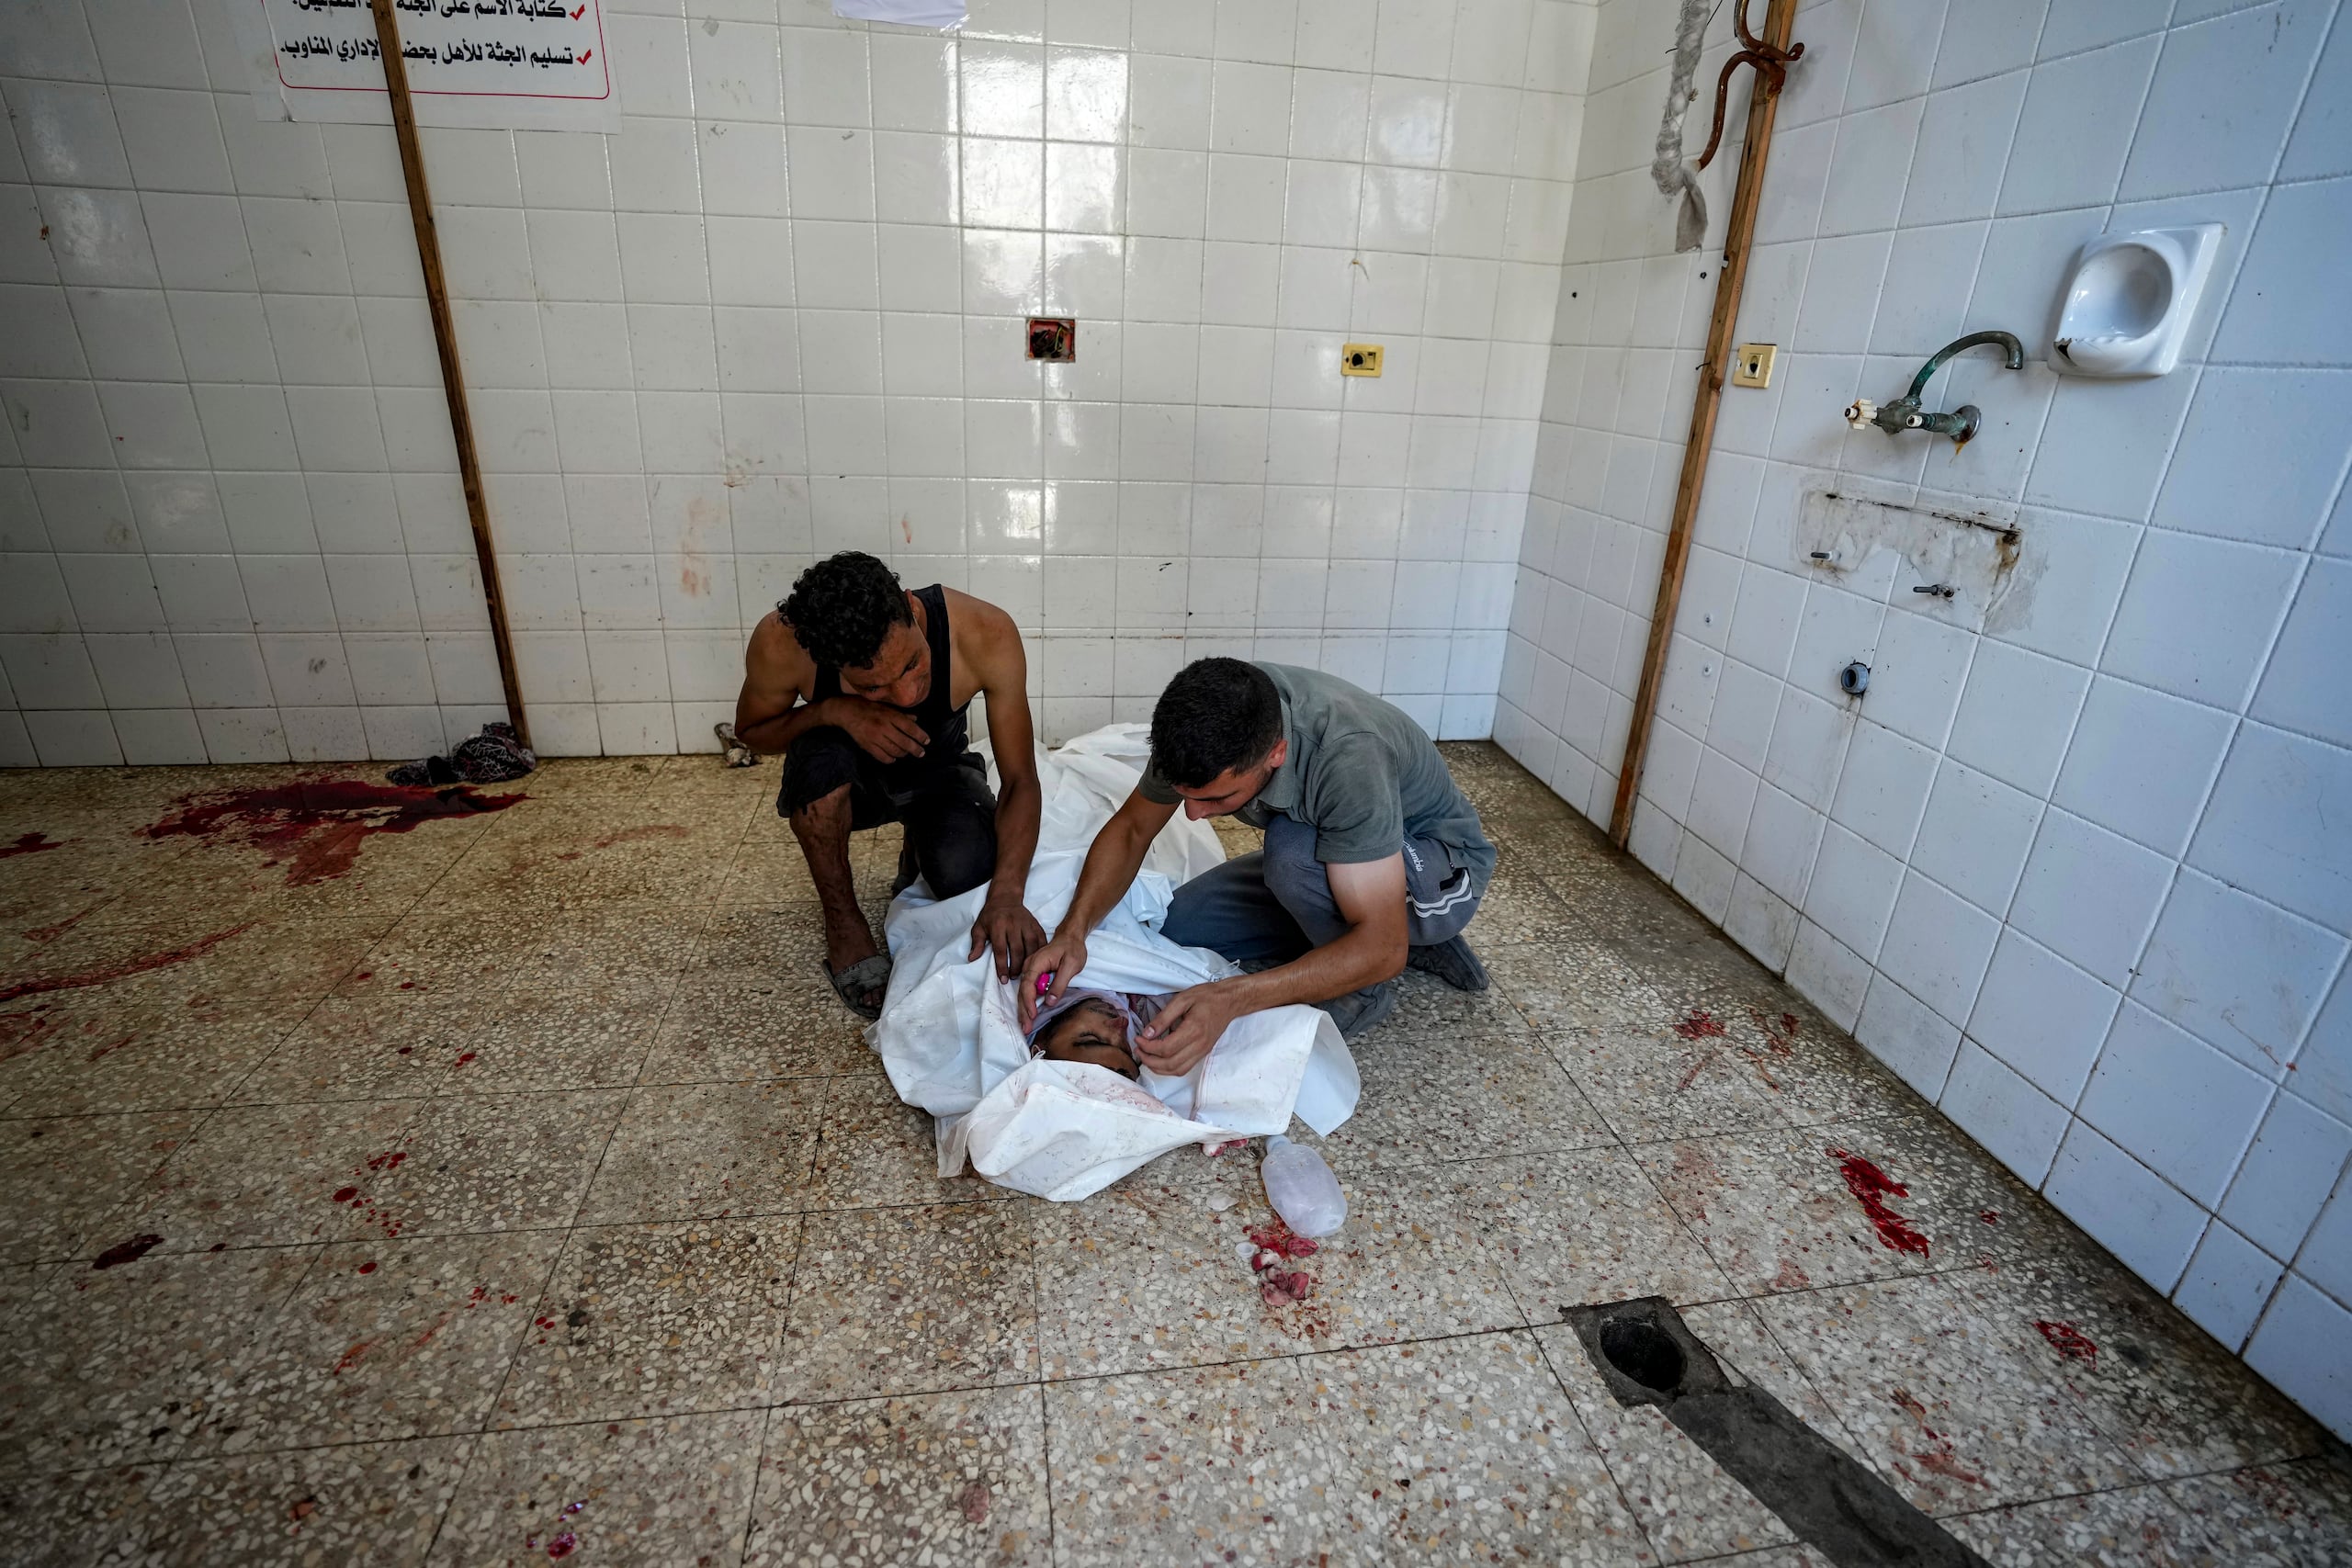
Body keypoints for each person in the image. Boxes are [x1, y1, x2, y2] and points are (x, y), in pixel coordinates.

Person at [1019, 658, 1494, 1075]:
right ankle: (1344, 934)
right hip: (1334, 857)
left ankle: (1380, 975)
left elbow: (1381, 948)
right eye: (1186, 796)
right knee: (1176, 929)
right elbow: (1130, 832)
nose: (1193, 815)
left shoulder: (1348, 757)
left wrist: (1231, 999)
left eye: (1217, 799)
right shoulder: (1209, 721)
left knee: (1293, 857)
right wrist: (1073, 933)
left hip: (1437, 866)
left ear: (1277, 753)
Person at [734, 552, 1045, 1018]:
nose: (905, 695)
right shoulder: (783, 641)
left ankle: (917, 846)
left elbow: (1021, 779)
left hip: (937, 770)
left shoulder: (984, 631)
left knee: (965, 871)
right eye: (872, 688)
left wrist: (1006, 893)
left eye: (913, 664)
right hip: (846, 776)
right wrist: (835, 710)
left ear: (910, 609)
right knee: (817, 777)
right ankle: (843, 924)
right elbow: (752, 731)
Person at [1024, 987, 1164, 1081]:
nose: (1122, 1023)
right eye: (1126, 1050)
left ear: (1039, 1051)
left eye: (1092, 1039)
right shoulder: (1153, 1017)